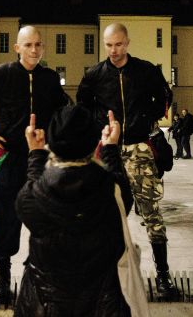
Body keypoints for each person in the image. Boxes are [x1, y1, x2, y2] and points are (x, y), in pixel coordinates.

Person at [0, 25, 68, 304]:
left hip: (41, 157)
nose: (34, 50)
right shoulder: (0, 75)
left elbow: (62, 111)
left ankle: (44, 276)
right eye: (28, 45)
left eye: (38, 45)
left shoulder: (49, 79)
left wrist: (59, 141)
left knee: (47, 217)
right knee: (4, 216)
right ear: (17, 48)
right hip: (9, 158)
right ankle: (3, 276)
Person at [77, 22, 178, 298]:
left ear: (128, 42)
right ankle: (103, 275)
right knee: (102, 214)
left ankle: (163, 275)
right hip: (108, 150)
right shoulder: (95, 75)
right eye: (109, 45)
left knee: (152, 213)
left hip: (138, 149)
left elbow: (165, 95)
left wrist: (148, 117)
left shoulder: (145, 71)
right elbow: (82, 104)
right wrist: (98, 126)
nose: (114, 50)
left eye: (118, 44)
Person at [15, 107, 134, 316]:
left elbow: (34, 183)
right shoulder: (112, 191)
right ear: (92, 143)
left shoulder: (30, 198)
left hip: (45, 305)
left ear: (52, 142)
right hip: (102, 304)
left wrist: (35, 152)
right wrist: (110, 147)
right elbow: (117, 181)